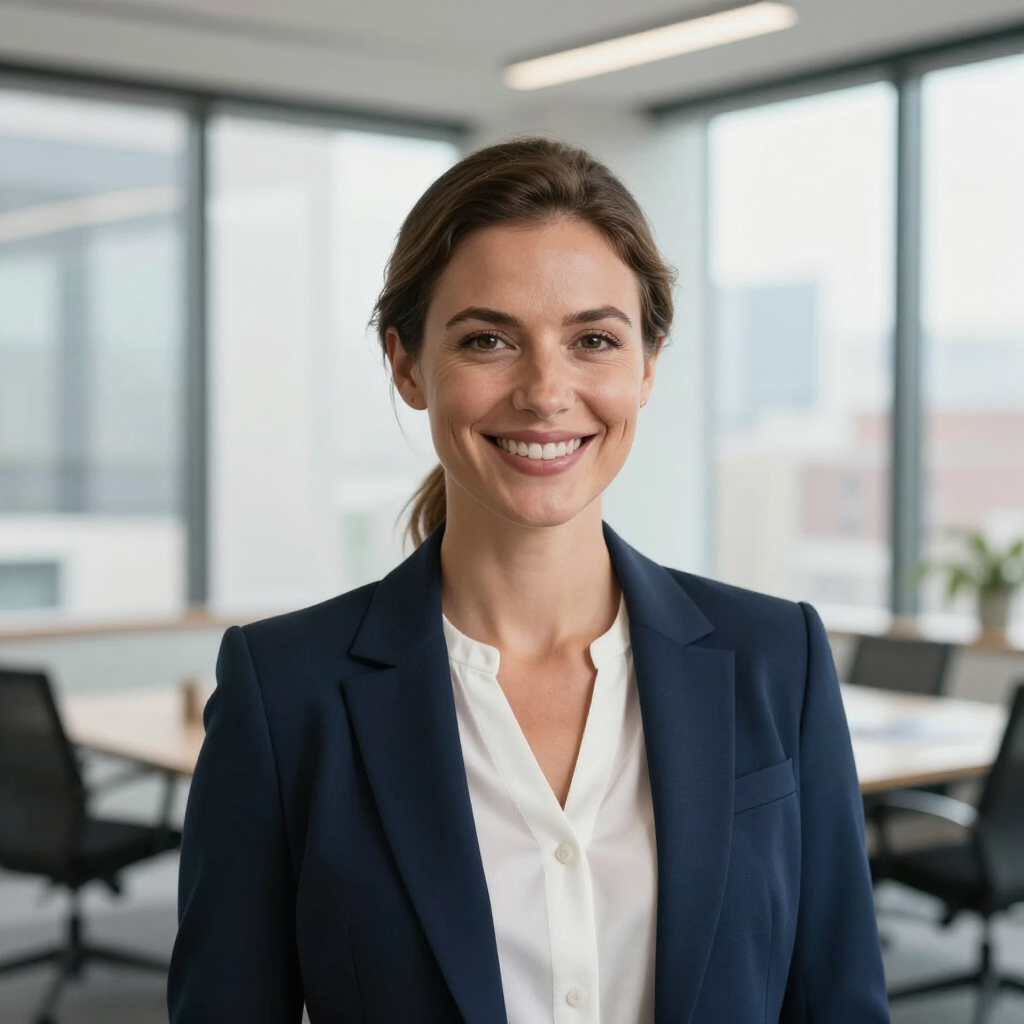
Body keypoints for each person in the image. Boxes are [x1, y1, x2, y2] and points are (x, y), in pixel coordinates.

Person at [167, 137, 889, 1024]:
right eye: (488, 340)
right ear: (407, 365)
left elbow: (839, 1001)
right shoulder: (285, 695)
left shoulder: (779, 659)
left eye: (593, 340)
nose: (546, 392)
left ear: (647, 366)